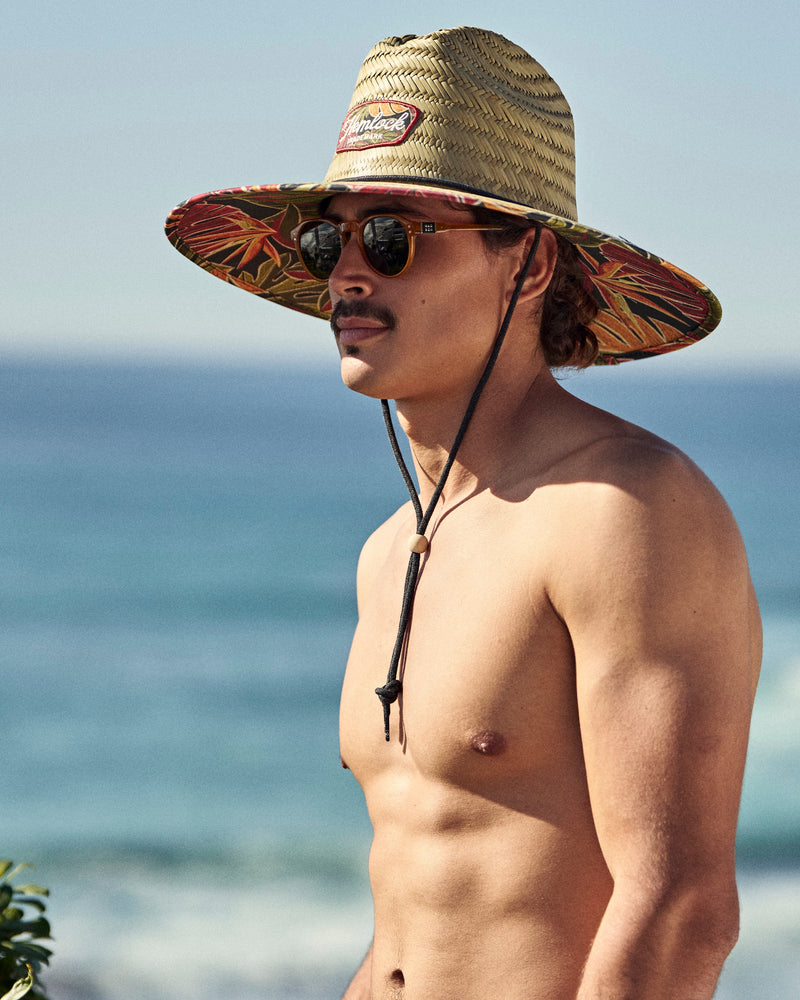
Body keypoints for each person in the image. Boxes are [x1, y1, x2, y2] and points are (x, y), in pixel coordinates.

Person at [166, 27, 761, 1000]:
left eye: (393, 237)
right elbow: (419, 908)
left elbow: (680, 906)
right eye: (330, 239)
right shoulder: (389, 550)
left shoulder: (622, 508)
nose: (347, 274)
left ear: (525, 265)